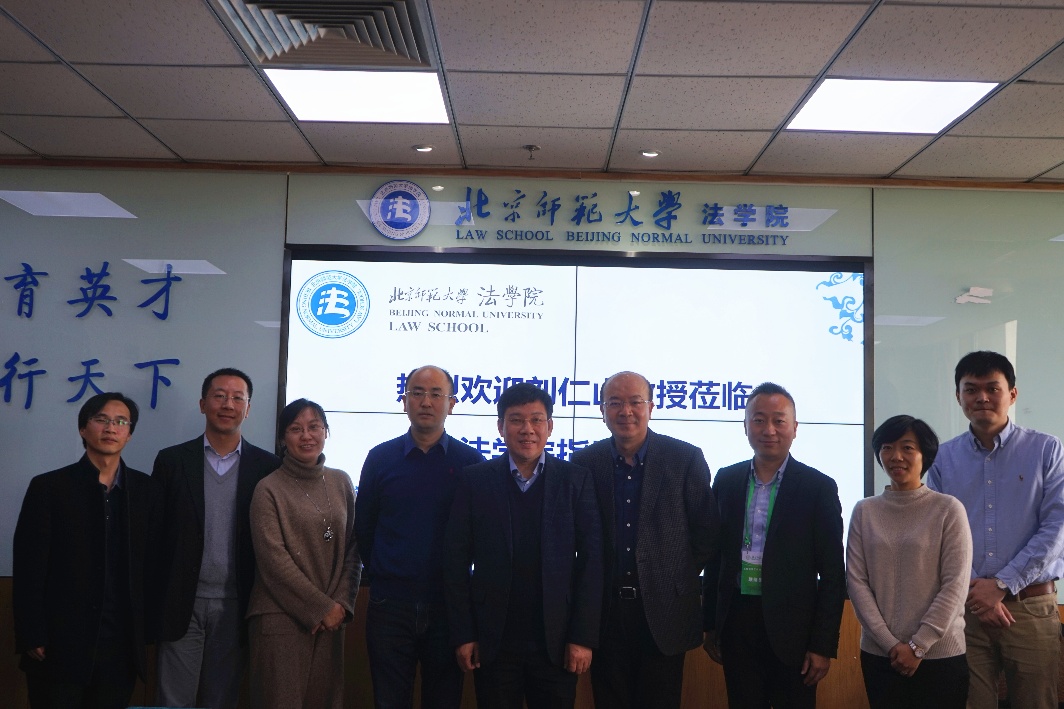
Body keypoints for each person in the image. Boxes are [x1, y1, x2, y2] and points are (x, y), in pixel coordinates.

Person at [444, 382, 603, 709]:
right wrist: (464, 633)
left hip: (557, 642)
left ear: (550, 426)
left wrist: (582, 637)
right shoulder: (476, 480)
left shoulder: (575, 480)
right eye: (516, 420)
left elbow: (592, 562)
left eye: (536, 420)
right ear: (500, 427)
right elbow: (455, 561)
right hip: (494, 640)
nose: (527, 429)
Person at [570, 370, 718, 709]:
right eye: (615, 403)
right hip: (605, 614)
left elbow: (707, 532)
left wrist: (672, 575)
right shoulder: (585, 463)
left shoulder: (684, 458)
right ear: (602, 410)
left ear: (651, 407)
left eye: (635, 402)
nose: (626, 411)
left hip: (665, 611)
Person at [927, 350, 1064, 709]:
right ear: (958, 397)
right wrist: (977, 592)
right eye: (971, 389)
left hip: (1029, 607)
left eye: (993, 388)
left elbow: (1057, 526)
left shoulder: (1046, 449)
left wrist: (1001, 585)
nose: (982, 397)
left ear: (1012, 395)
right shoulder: (942, 459)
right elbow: (938, 534)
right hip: (965, 611)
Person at [13, 392, 159, 709]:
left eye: (121, 422)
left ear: (130, 434)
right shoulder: (49, 487)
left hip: (119, 645)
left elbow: (151, 564)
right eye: (101, 419)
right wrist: (32, 632)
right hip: (59, 642)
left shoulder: (146, 490)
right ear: (83, 428)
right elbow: (28, 567)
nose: (111, 428)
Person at [703, 381, 845, 709]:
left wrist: (822, 645)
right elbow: (715, 558)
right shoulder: (726, 480)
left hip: (795, 631)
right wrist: (710, 624)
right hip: (737, 623)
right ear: (745, 426)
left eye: (779, 421)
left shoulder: (818, 487)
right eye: (759, 420)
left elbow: (833, 574)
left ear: (794, 428)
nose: (769, 430)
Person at [356, 365, 485, 709]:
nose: (426, 402)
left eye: (436, 394)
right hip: (389, 605)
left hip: (448, 606)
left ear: (451, 404)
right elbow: (364, 527)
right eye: (417, 393)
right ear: (404, 401)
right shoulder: (380, 458)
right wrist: (385, 572)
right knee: (389, 699)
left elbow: (479, 535)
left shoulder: (471, 462)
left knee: (443, 700)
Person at [152, 367, 281, 709]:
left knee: (221, 700)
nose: (228, 404)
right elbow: (155, 534)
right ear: (202, 404)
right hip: (182, 601)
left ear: (248, 409)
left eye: (238, 398)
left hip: (237, 604)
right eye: (219, 396)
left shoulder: (267, 467)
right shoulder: (172, 461)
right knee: (172, 700)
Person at [847, 415, 973, 709]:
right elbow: (856, 582)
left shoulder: (948, 509)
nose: (896, 456)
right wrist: (892, 644)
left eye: (907, 447)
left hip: (940, 655)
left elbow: (955, 585)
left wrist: (918, 645)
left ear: (924, 455)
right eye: (887, 447)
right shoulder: (865, 511)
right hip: (881, 655)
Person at [247, 398, 360, 708]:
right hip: (280, 618)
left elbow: (354, 548)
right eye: (296, 429)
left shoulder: (341, 481)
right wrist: (320, 607)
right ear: (283, 438)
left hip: (332, 619)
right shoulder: (268, 488)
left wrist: (340, 604)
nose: (306, 436)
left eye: (314, 427)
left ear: (326, 432)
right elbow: (273, 560)